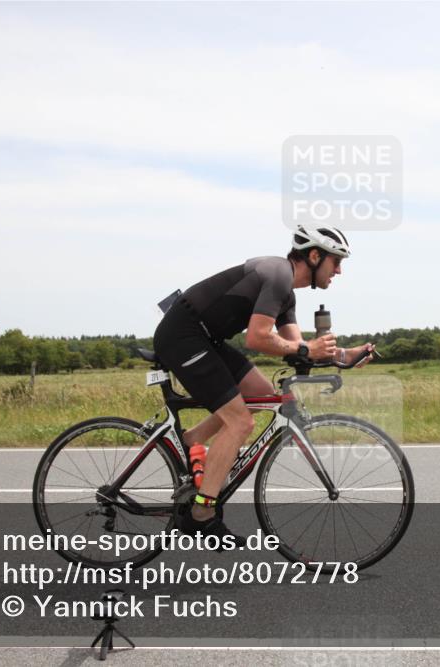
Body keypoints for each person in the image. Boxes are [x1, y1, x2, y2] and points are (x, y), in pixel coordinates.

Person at [152, 225, 375, 538]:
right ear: (314, 256)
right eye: (336, 261)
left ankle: (194, 441)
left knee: (261, 394)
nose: (338, 270)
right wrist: (307, 348)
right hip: (183, 337)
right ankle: (201, 512)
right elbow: (258, 338)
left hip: (204, 338)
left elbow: (299, 350)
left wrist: (342, 356)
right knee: (239, 423)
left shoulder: (287, 295)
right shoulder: (277, 276)